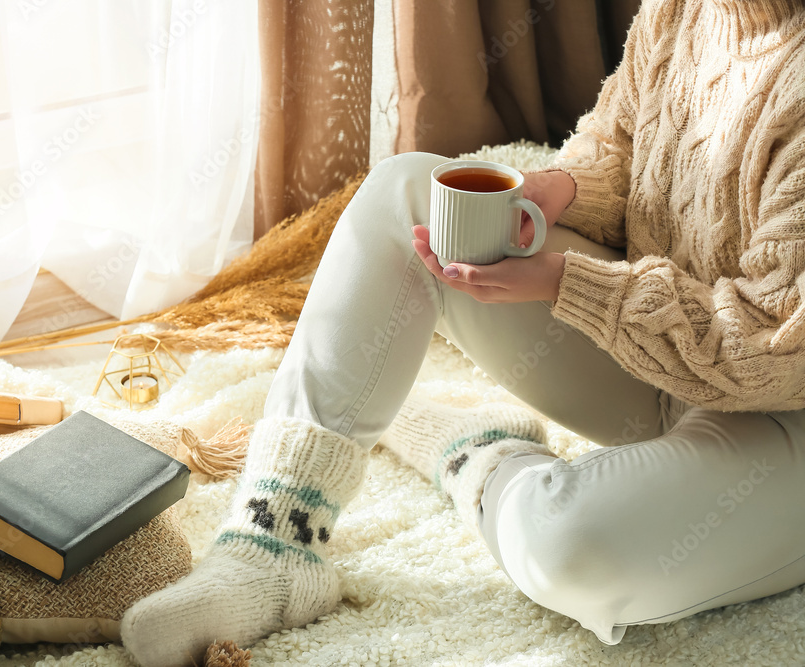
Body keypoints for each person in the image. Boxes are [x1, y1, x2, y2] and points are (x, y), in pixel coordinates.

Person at [122, 0, 805, 663]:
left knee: (567, 544)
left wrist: (569, 282)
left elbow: (773, 339)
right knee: (406, 194)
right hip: (663, 357)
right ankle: (270, 548)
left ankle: (477, 455)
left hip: (777, 416)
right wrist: (564, 187)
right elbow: (619, 143)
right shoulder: (683, 10)